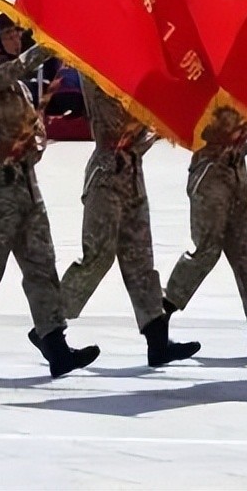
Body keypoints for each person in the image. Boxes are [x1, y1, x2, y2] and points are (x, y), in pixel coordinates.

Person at [0, 14, 99, 376]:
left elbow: (37, 128)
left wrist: (35, 143)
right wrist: (54, 43)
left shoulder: (21, 87)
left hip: (26, 186)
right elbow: (15, 70)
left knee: (42, 266)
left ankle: (55, 343)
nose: (16, 40)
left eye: (16, 34)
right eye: (9, 35)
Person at [60, 76, 201, 366]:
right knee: (97, 257)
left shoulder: (135, 82)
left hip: (133, 175)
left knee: (141, 261)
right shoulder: (95, 74)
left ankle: (157, 340)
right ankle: (48, 326)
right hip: (106, 176)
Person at [164, 106, 247, 358]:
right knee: (206, 251)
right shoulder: (207, 80)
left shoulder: (245, 85)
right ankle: (161, 314)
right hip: (210, 171)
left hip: (237, 171)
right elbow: (195, 124)